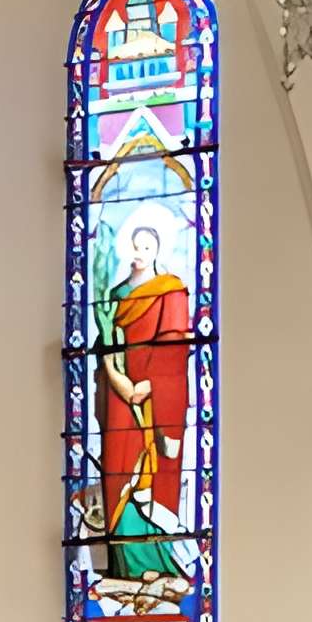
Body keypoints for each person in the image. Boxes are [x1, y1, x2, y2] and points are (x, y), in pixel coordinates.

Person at [97, 218, 193, 585]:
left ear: (158, 250)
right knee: (119, 469)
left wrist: (149, 385)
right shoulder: (116, 295)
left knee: (148, 472)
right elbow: (108, 344)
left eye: (147, 246)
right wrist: (115, 374)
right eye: (135, 245)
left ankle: (158, 558)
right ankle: (125, 562)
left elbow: (175, 345)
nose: (140, 253)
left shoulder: (171, 290)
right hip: (118, 396)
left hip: (154, 397)